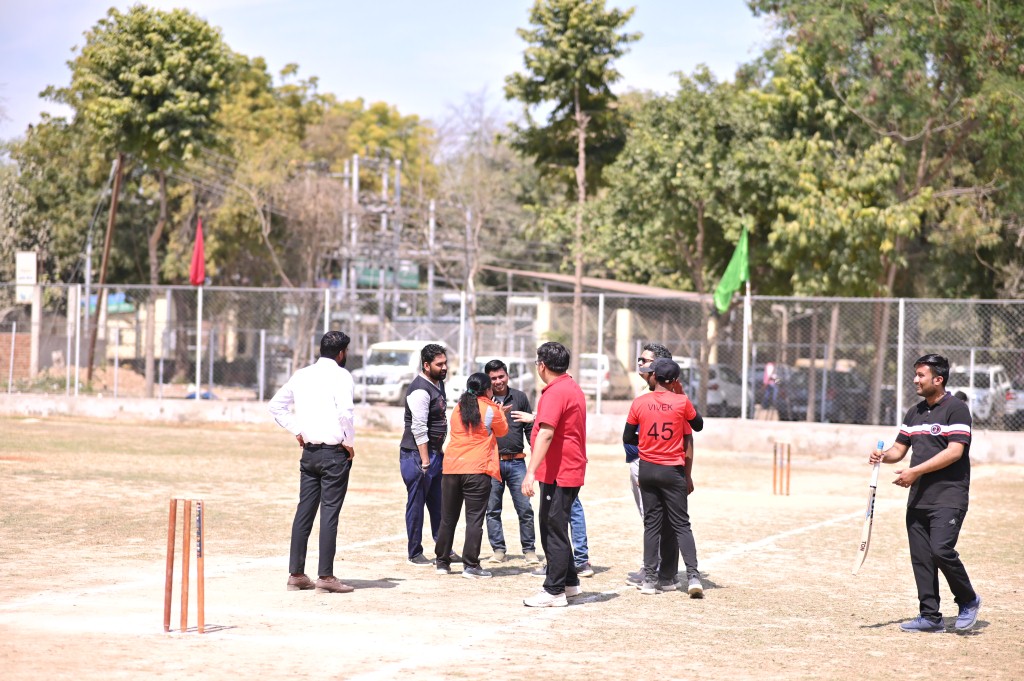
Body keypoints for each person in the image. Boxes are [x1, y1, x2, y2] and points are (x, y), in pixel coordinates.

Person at [869, 353, 981, 633]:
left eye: (921, 375)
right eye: (915, 374)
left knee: (941, 550)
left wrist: (915, 471)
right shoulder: (914, 412)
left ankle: (968, 600)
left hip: (949, 496)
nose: (915, 380)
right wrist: (883, 455)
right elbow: (899, 449)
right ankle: (930, 616)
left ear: (938, 379)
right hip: (919, 498)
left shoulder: (957, 409)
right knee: (921, 558)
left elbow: (954, 452)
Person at [268, 330, 356, 594]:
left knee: (304, 512)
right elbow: (346, 413)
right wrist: (349, 442)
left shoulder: (302, 374)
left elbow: (275, 406)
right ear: (341, 353)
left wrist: (298, 430)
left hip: (309, 453)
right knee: (329, 513)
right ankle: (325, 577)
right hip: (333, 453)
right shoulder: (342, 375)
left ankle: (296, 574)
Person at [626, 343, 704, 596]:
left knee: (651, 525)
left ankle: (649, 580)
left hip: (648, 469)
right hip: (672, 470)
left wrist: (647, 442)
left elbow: (628, 436)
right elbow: (698, 425)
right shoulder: (682, 401)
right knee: (681, 525)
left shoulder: (640, 402)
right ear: (675, 380)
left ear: (654, 377)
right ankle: (693, 577)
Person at [521, 342, 588, 607]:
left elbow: (546, 433)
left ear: (542, 365)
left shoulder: (556, 391)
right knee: (555, 525)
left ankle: (554, 590)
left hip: (561, 472)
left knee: (553, 529)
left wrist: (530, 472)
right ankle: (569, 582)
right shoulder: (570, 386)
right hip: (564, 469)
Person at [435, 373, 509, 578]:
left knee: (447, 518)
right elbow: (502, 431)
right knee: (474, 520)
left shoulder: (458, 408)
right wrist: (501, 412)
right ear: (487, 390)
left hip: (452, 467)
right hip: (477, 469)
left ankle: (442, 562)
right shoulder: (491, 409)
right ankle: (471, 565)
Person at [399, 343, 455, 566]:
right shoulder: (420, 390)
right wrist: (425, 460)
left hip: (434, 454)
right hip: (416, 455)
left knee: (439, 504)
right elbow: (419, 428)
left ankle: (444, 549)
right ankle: (415, 553)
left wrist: (438, 453)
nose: (444, 367)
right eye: (439, 364)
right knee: (417, 504)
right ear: (426, 365)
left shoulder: (438, 383)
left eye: (445, 363)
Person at [483, 359, 541, 565]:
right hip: (492, 464)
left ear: (507, 376)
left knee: (525, 509)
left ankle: (529, 550)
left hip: (517, 463)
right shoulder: (484, 400)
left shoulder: (520, 397)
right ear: (487, 380)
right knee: (492, 510)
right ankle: (498, 550)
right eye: (493, 378)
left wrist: (535, 455)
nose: (498, 381)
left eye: (501, 376)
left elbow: (529, 429)